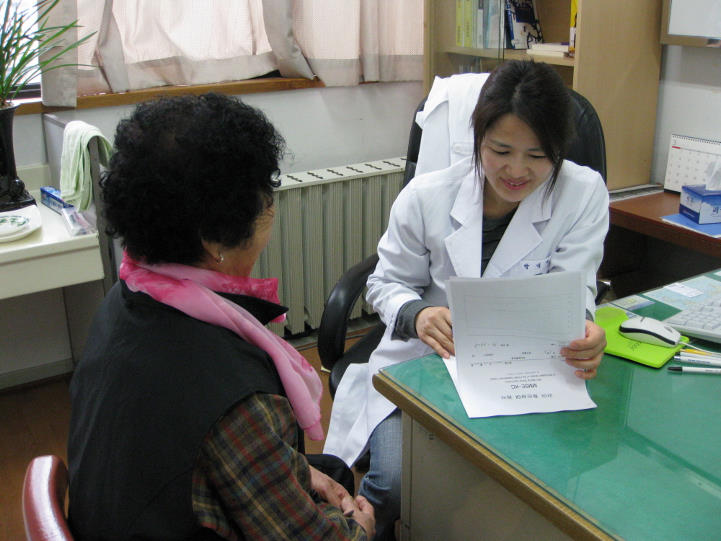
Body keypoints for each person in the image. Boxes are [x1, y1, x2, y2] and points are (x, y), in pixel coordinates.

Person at [67, 93, 375, 540]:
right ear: (215, 238)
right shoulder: (234, 401)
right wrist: (361, 530)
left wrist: (293, 471)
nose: (271, 210)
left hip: (131, 508)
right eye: (266, 199)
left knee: (328, 470)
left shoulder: (123, 301)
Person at [324, 60, 609, 540]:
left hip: (525, 366)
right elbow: (385, 282)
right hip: (427, 362)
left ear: (559, 151)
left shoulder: (582, 193)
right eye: (501, 150)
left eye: (537, 156)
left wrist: (584, 327)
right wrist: (417, 314)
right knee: (395, 484)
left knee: (543, 486)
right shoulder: (428, 195)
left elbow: (575, 287)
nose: (516, 171)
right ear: (477, 138)